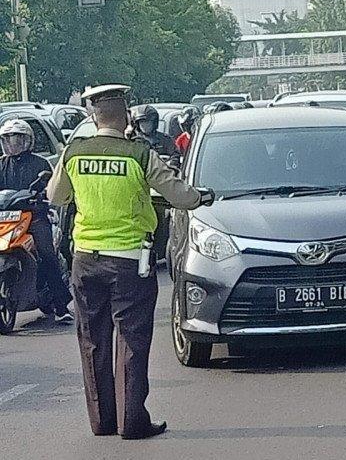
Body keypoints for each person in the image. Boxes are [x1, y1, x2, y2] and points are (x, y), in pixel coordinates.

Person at [47, 84, 214, 440]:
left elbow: (56, 195)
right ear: (125, 116)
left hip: (85, 261)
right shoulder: (139, 154)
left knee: (92, 341)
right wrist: (202, 197)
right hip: (129, 262)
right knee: (132, 342)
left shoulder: (74, 152)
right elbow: (179, 196)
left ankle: (102, 421)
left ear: (93, 116)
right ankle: (132, 422)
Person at [0, 119, 73, 323]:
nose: (12, 143)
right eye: (7, 139)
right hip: (5, 218)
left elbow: (51, 189)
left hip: (34, 216)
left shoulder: (40, 164)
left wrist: (41, 195)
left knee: (47, 255)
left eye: (17, 139)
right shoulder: (1, 164)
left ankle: (61, 306)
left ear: (27, 140)